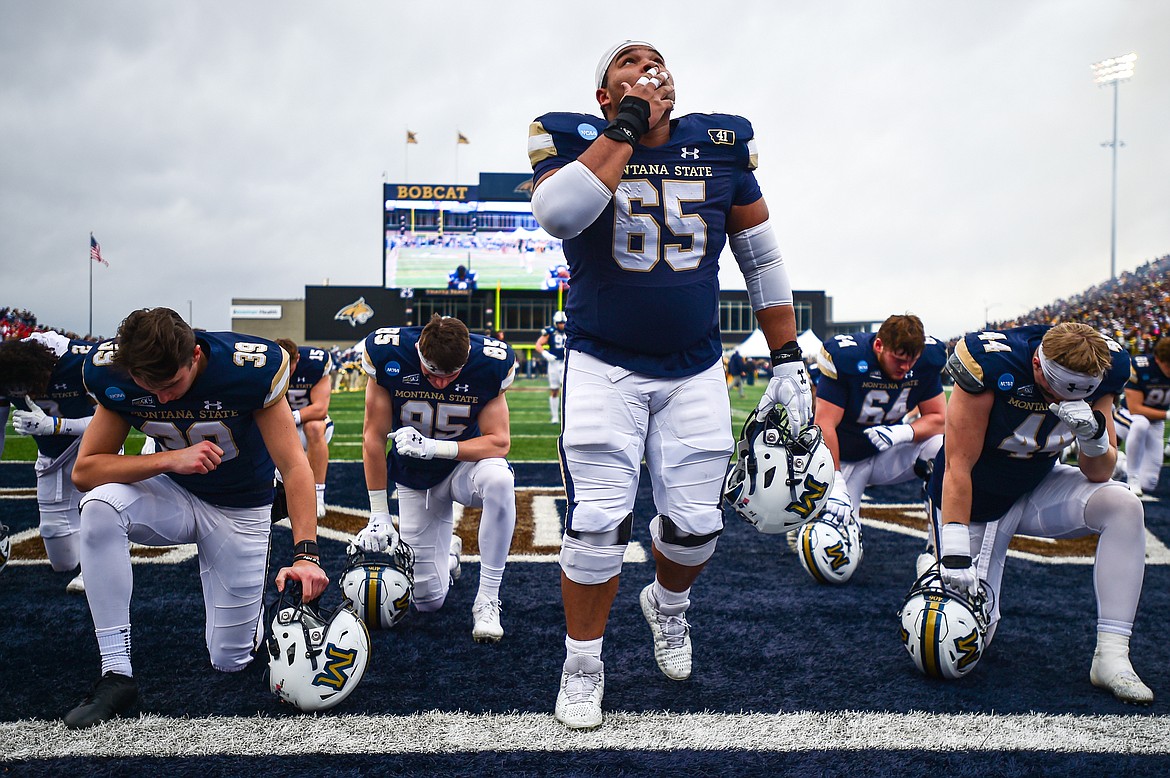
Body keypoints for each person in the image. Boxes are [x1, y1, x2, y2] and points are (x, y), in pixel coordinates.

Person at [529, 40, 812, 729]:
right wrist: (626, 126)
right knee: (596, 523)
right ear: (604, 93)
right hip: (603, 361)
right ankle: (582, 666)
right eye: (628, 62)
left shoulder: (720, 141)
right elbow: (559, 215)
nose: (649, 66)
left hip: (693, 366)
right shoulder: (572, 135)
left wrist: (788, 356)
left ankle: (669, 604)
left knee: (696, 529)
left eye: (656, 60)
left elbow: (761, 256)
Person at [63, 307, 329, 728]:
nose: (163, 397)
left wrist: (307, 555)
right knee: (99, 507)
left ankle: (253, 616)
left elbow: (296, 466)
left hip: (241, 506)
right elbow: (86, 471)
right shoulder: (114, 375)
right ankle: (116, 672)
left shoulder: (247, 369)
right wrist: (172, 459)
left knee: (230, 660)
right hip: (172, 491)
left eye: (171, 384)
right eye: (148, 386)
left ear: (195, 357)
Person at [929, 322, 1151, 704]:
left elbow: (1097, 472)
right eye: (1054, 388)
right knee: (957, 644)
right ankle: (932, 558)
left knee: (1124, 505)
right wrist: (953, 547)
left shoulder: (1107, 369)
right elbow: (958, 465)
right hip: (979, 497)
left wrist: (1094, 436)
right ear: (1036, 363)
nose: (1059, 398)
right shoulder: (991, 363)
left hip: (1036, 484)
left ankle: (1112, 656)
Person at [356, 314, 518, 644]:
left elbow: (499, 441)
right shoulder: (391, 355)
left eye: (452, 376)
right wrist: (379, 515)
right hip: (416, 477)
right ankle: (450, 553)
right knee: (428, 602)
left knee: (500, 480)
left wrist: (436, 448)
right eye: (432, 374)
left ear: (467, 358)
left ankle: (487, 598)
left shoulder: (489, 362)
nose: (441, 384)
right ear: (418, 352)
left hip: (463, 466)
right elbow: (374, 437)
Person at [812, 315, 946, 568]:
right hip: (844, 457)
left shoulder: (927, 360)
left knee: (940, 448)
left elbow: (939, 418)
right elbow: (824, 424)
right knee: (833, 559)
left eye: (911, 361)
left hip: (888, 450)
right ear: (878, 346)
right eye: (899, 359)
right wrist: (834, 480)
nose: (905, 368)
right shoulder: (848, 359)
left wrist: (903, 433)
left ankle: (937, 551)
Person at [0, 331, 97, 593]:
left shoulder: (80, 362)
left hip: (95, 447)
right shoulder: (5, 368)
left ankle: (104, 551)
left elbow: (112, 421)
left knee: (102, 516)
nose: (19, 393)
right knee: (62, 562)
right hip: (52, 457)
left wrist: (54, 425)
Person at [275, 339, 334, 518]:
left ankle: (318, 495)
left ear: (298, 359)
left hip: (308, 425)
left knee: (315, 427)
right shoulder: (268, 366)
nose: (286, 372)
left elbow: (320, 408)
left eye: (289, 367)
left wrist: (291, 417)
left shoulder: (315, 364)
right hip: (280, 428)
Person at [1122, 336, 1169, 496]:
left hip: (1156, 422)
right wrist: (1167, 414)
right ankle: (1131, 474)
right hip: (1127, 416)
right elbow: (1135, 408)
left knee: (1148, 483)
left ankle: (1121, 463)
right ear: (1157, 359)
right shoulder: (1140, 365)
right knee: (1141, 423)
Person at [534, 311, 569, 423]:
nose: (561, 325)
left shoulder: (571, 331)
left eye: (563, 322)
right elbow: (538, 344)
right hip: (553, 363)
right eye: (559, 322)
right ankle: (555, 417)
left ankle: (567, 416)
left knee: (567, 390)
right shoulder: (550, 332)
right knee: (554, 390)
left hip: (566, 363)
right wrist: (545, 354)